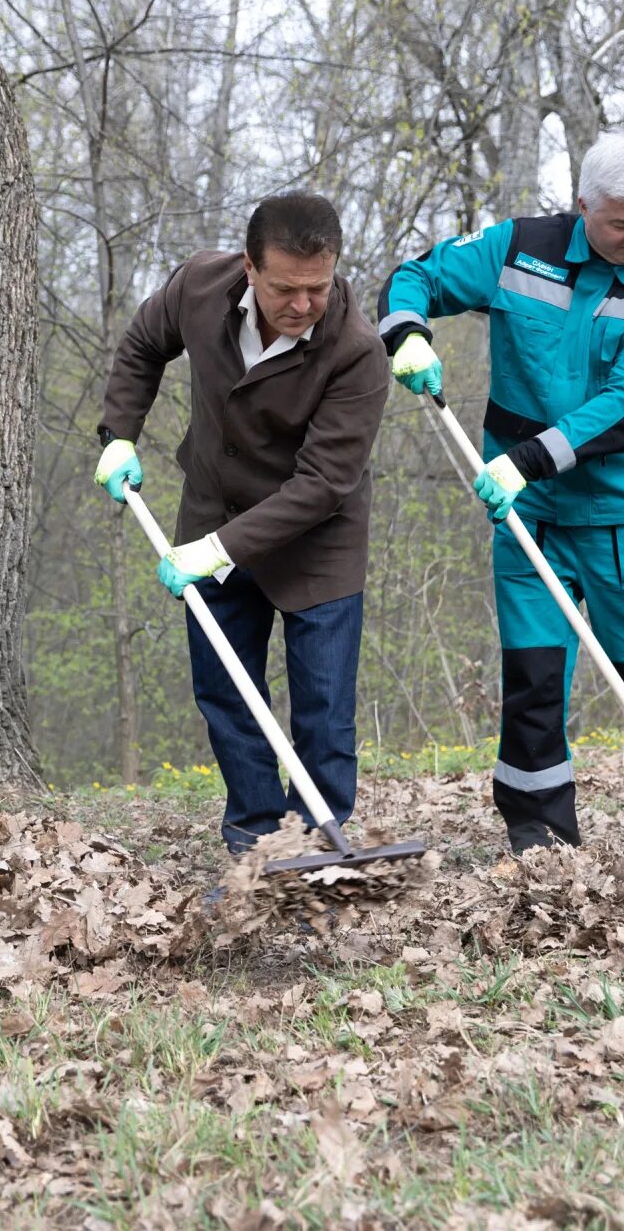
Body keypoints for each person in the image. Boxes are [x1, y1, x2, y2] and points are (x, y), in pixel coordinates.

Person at [377, 131, 624, 852]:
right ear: (582, 208)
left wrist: (527, 460)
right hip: (530, 513)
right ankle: (539, 838)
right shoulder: (516, 248)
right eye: (621, 222)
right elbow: (415, 277)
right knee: (534, 673)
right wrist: (408, 333)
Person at [93, 195, 389, 853]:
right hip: (213, 511)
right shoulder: (201, 285)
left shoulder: (358, 352)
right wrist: (119, 432)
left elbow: (322, 485)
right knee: (226, 693)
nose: (304, 303)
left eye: (319, 286)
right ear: (250, 267)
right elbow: (144, 343)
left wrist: (217, 551)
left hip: (319, 541)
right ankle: (254, 838)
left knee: (323, 712)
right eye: (286, 287)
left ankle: (318, 844)